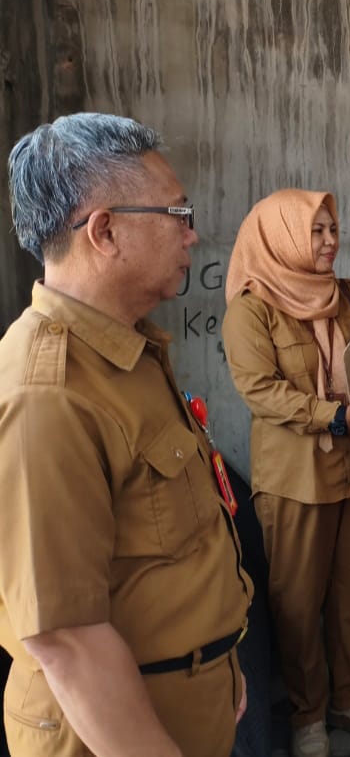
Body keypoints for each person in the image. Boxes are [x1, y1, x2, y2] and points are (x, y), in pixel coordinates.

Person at [0, 112, 252, 756]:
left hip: (185, 694)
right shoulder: (48, 393)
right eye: (177, 214)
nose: (193, 236)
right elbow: (64, 636)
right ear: (105, 232)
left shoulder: (128, 350)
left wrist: (220, 659)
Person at [221, 189, 350, 757]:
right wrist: (335, 418)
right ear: (282, 237)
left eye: (332, 229)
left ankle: (349, 698)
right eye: (315, 231)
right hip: (297, 479)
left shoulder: (349, 296)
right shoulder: (251, 309)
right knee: (297, 601)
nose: (329, 241)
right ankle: (307, 715)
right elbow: (261, 391)